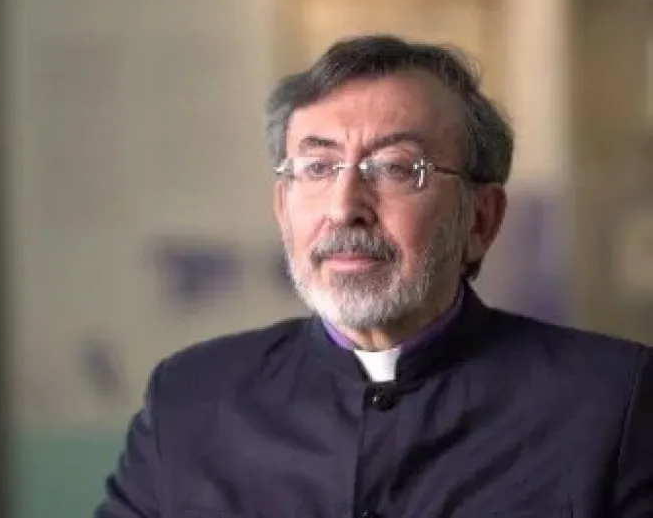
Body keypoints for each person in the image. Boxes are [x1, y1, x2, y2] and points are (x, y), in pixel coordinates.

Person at [95, 35, 653, 518]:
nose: (345, 208)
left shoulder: (611, 404)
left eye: (394, 168)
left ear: (481, 219)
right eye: (318, 167)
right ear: (283, 208)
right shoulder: (190, 399)